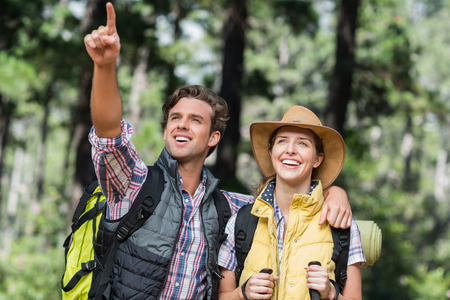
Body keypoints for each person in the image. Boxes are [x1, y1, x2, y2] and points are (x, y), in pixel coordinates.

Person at [83, 2, 354, 299]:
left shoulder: (229, 208)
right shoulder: (132, 185)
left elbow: (286, 200)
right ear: (165, 130)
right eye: (175, 118)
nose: (182, 126)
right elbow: (109, 133)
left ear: (213, 137)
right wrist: (105, 66)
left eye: (194, 120)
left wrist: (332, 193)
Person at [217, 105, 365, 300]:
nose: (290, 150)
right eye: (282, 141)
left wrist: (331, 294)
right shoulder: (241, 220)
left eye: (302, 144)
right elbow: (221, 296)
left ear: (317, 159)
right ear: (271, 152)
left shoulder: (342, 226)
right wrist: (242, 292)